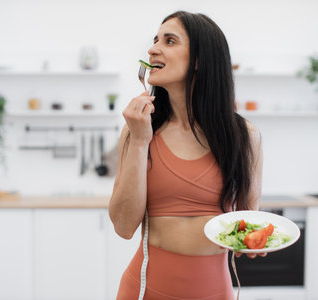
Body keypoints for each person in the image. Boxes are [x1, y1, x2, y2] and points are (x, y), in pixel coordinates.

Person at [109, 10, 263, 300]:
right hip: (144, 291)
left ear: (200, 60)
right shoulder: (139, 131)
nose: (153, 48)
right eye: (155, 40)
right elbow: (123, 226)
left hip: (215, 292)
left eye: (169, 41)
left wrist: (256, 240)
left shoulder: (245, 137)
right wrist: (141, 142)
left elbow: (247, 219)